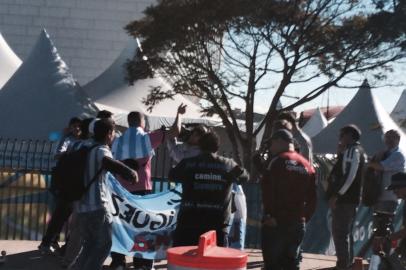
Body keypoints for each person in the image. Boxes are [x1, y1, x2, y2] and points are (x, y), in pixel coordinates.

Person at [109, 104, 186, 270]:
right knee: (142, 227)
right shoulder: (148, 138)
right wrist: (179, 114)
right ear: (142, 123)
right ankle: (142, 263)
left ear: (129, 122)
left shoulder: (117, 139)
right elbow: (175, 131)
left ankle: (118, 261)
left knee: (120, 224)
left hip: (120, 191)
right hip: (142, 190)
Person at [73, 118, 138, 270]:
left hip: (81, 207)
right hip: (96, 207)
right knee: (103, 245)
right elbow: (108, 162)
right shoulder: (101, 149)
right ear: (109, 133)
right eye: (114, 132)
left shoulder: (84, 146)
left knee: (89, 246)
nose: (114, 136)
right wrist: (131, 172)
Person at [168, 131, 249, 247]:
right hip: (217, 225)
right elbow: (245, 177)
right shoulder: (228, 164)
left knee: (184, 262)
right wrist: (237, 172)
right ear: (217, 146)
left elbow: (172, 176)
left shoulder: (188, 163)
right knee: (214, 263)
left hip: (189, 222)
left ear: (200, 146)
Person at [260, 129, 316, 270]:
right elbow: (313, 198)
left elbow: (268, 192)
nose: (270, 147)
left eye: (271, 143)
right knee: (291, 264)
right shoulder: (307, 165)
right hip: (297, 223)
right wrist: (303, 218)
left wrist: (269, 215)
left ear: (280, 141)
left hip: (276, 223)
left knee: (272, 265)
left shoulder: (276, 161)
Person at [38, 117, 83, 254]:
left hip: (76, 182)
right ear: (69, 127)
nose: (76, 129)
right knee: (59, 213)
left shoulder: (84, 141)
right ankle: (50, 242)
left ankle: (60, 243)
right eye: (74, 126)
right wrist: (70, 153)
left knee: (70, 215)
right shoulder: (66, 140)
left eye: (79, 126)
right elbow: (57, 155)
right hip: (63, 182)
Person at [328, 125, 366, 270]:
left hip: (346, 199)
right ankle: (346, 263)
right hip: (350, 198)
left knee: (340, 232)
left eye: (342, 134)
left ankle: (343, 264)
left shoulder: (353, 150)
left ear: (350, 135)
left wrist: (337, 195)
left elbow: (350, 176)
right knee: (345, 233)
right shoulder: (356, 151)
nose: (340, 137)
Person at [367, 130, 405, 269]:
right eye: (386, 137)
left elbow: (380, 166)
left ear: (397, 139)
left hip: (389, 200)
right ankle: (382, 260)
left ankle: (385, 259)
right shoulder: (384, 153)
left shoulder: (398, 155)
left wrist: (370, 163)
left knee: (385, 230)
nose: (387, 141)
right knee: (380, 231)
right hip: (380, 197)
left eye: (391, 138)